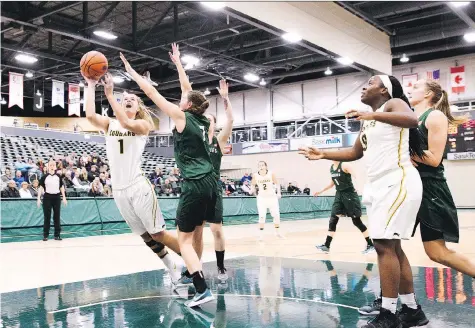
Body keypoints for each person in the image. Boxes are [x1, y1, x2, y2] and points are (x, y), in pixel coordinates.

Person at [299, 75, 428, 328]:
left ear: (384, 89)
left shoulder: (393, 104)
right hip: (380, 184)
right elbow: (355, 152)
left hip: (397, 179)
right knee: (392, 247)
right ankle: (412, 310)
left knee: (383, 246)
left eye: (371, 82)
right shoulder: (369, 121)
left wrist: (373, 115)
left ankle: (389, 314)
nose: (365, 86)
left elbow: (412, 120)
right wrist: (323, 154)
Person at [121, 50, 215, 307]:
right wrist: (178, 65)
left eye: (183, 99)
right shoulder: (204, 119)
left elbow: (152, 95)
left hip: (194, 182)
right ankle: (195, 269)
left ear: (187, 105)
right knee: (196, 234)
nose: (181, 98)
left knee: (182, 240)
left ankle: (201, 287)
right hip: (211, 183)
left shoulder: (182, 116)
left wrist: (132, 73)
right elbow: (189, 89)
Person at [84, 72, 185, 287]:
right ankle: (173, 267)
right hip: (119, 191)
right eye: (124, 98)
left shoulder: (143, 125)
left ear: (138, 107)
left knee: (158, 233)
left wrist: (112, 96)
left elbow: (127, 124)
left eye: (132, 99)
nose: (127, 99)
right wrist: (91, 85)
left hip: (138, 186)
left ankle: (194, 264)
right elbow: (90, 115)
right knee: (146, 237)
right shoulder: (110, 124)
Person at [409, 80, 475, 276]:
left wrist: (404, 154)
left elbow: (434, 159)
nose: (410, 91)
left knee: (437, 253)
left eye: (415, 88)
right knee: (388, 243)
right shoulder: (412, 118)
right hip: (411, 186)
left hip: (430, 189)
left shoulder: (435, 116)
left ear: (428, 94)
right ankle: (396, 299)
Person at [203, 80, 234, 282]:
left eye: (210, 119)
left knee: (216, 229)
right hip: (195, 188)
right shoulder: (194, 139)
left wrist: (225, 98)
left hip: (213, 188)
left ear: (214, 123)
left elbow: (230, 120)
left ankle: (221, 267)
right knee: (193, 232)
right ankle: (192, 269)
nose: (207, 122)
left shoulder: (218, 141)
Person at [314, 161, 375, 254]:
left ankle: (370, 244)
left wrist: (358, 187)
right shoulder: (332, 168)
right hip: (339, 195)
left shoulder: (345, 165)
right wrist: (320, 191)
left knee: (357, 222)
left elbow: (357, 175)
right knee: (333, 219)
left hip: (349, 195)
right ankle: (326, 245)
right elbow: (332, 183)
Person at [251, 161, 283, 240]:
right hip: (262, 198)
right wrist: (252, 190)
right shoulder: (255, 175)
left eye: (262, 165)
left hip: (272, 197)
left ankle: (277, 233)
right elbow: (253, 185)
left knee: (276, 215)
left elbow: (277, 184)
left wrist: (278, 193)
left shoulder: (271, 173)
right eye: (259, 165)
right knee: (262, 216)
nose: (261, 167)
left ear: (266, 166)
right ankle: (261, 235)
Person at [38, 160, 67, 241]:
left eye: (53, 165)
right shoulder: (44, 177)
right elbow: (41, 188)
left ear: (55, 167)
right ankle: (45, 235)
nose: (52, 166)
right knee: (47, 216)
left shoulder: (58, 176)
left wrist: (64, 197)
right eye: (50, 165)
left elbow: (61, 187)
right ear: (48, 166)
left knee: (56, 216)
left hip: (57, 197)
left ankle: (57, 235)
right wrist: (38, 198)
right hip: (47, 197)